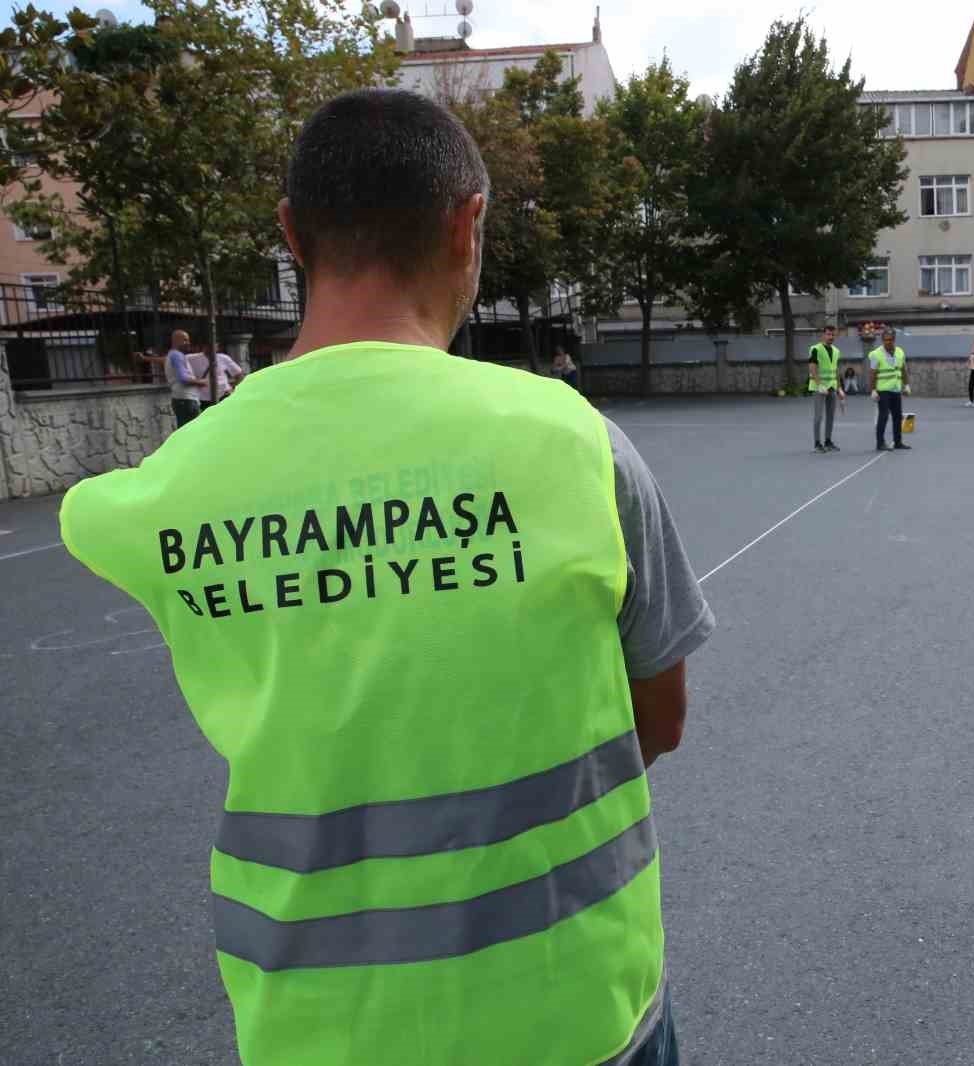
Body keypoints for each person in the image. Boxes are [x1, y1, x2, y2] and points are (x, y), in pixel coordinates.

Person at [57, 89, 712, 1066]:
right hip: (574, 1010)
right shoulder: (574, 444)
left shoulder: (166, 490)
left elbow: (95, 518)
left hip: (316, 1033)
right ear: (469, 223)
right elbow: (658, 720)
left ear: (291, 233)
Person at [868, 327, 910, 452]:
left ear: (894, 339)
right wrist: (873, 390)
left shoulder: (900, 352)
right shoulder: (876, 354)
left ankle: (898, 442)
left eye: (890, 340)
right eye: (885, 340)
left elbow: (903, 370)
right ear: (882, 340)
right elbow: (872, 374)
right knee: (884, 415)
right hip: (882, 390)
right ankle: (880, 443)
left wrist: (906, 385)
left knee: (897, 416)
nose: (888, 342)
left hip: (896, 389)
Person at [808, 325, 845, 453]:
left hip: (832, 387)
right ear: (823, 335)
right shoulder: (815, 349)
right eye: (828, 334)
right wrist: (819, 385)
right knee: (818, 416)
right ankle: (817, 444)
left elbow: (836, 370)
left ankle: (828, 441)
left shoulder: (836, 351)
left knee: (831, 416)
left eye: (833, 334)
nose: (831, 337)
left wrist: (839, 389)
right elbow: (812, 368)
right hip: (819, 388)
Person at [162, 330, 205, 427]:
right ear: (176, 340)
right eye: (185, 340)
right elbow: (183, 378)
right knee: (194, 431)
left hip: (183, 399)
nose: (188, 343)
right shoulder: (177, 355)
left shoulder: (173, 355)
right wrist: (200, 382)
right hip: (186, 399)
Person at [191, 342, 246, 410]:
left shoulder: (223, 358)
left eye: (215, 344)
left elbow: (239, 375)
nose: (213, 347)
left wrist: (232, 389)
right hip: (203, 399)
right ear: (204, 346)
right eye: (209, 345)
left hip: (223, 395)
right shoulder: (192, 358)